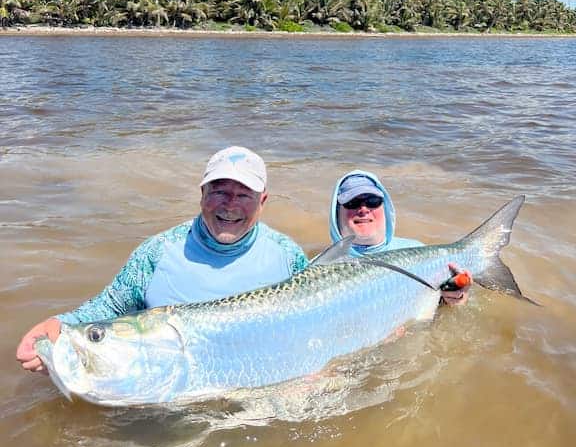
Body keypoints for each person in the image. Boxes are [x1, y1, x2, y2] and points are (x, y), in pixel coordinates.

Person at [17, 146, 309, 374]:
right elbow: (109, 307)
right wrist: (59, 326)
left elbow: (316, 323)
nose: (230, 205)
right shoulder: (156, 252)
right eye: (219, 191)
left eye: (244, 194)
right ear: (202, 193)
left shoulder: (288, 256)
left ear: (263, 201)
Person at [329, 171, 471, 305]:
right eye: (352, 203)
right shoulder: (322, 267)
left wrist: (454, 298)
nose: (363, 210)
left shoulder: (418, 252)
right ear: (337, 213)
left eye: (372, 201)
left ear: (384, 208)